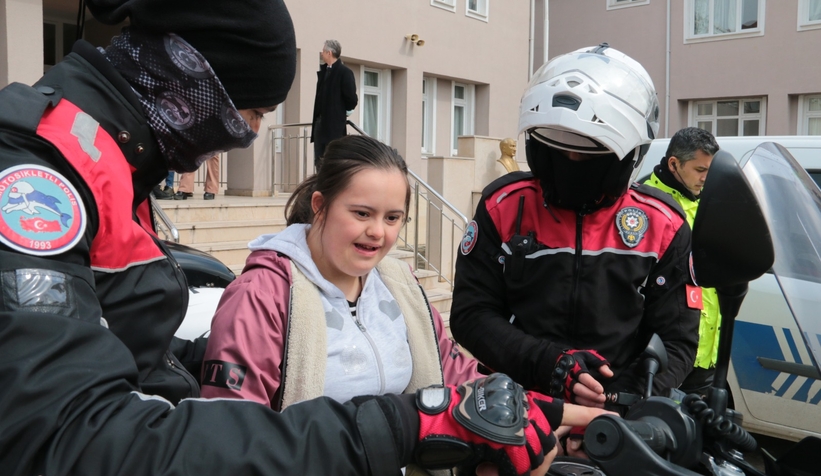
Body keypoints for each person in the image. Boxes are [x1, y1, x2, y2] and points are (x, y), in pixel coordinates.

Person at [0, 0, 599, 473]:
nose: (245, 140)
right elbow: (67, 440)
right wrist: (397, 428)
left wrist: (531, 412)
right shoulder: (37, 179)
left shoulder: (108, 165)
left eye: (394, 218)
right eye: (246, 117)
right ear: (189, 80)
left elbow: (122, 354)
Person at [449, 44, 700, 410]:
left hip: (619, 418)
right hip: (514, 406)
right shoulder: (503, 205)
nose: (571, 162)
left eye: (588, 153)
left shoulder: (661, 223)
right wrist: (549, 364)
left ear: (630, 155)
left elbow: (677, 339)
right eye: (558, 149)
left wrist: (615, 403)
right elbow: (471, 314)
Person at [202, 135, 484, 409]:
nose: (377, 232)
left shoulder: (401, 284)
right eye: (362, 213)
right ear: (320, 206)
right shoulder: (262, 295)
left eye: (392, 218)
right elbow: (232, 426)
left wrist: (510, 401)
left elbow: (449, 367)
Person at [643, 127, 720, 396]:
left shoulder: (705, 203)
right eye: (700, 169)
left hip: (704, 356)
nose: (705, 178)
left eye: (710, 169)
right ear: (674, 164)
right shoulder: (646, 207)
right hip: (664, 356)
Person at [311, 39, 358, 168]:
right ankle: (320, 186)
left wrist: (342, 112)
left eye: (323, 51)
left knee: (331, 160)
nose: (322, 54)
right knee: (318, 159)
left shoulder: (344, 72)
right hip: (320, 122)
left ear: (329, 53)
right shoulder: (325, 71)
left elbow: (351, 99)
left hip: (334, 125)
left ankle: (330, 188)